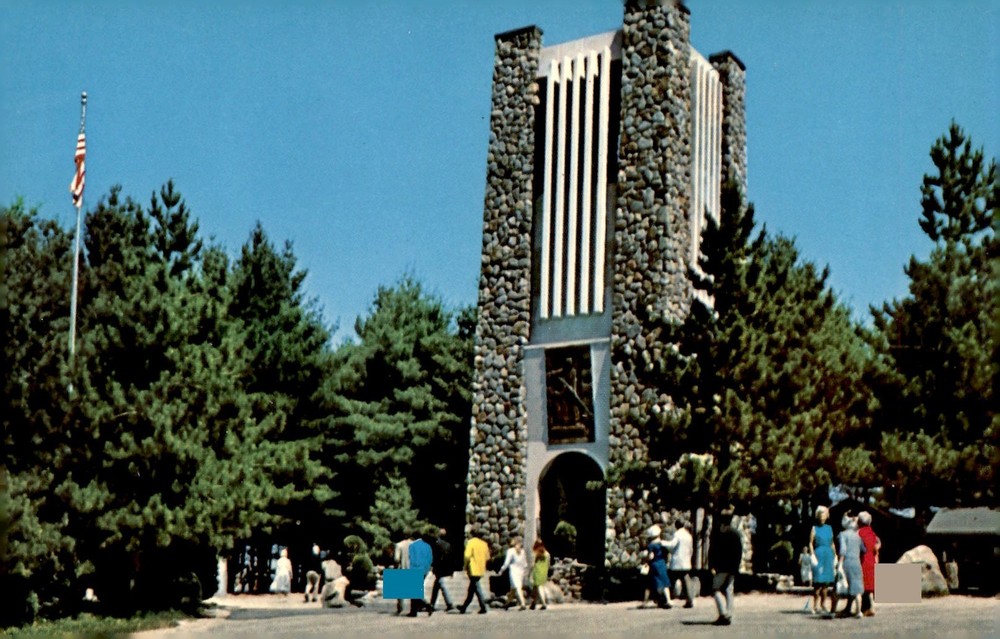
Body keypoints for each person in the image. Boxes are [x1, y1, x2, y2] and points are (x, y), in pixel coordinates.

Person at [708, 512, 743, 626]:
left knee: (715, 589)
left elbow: (713, 551)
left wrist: (712, 565)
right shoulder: (736, 534)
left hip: (721, 566)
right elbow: (739, 552)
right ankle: (729, 613)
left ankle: (723, 613)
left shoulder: (718, 534)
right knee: (729, 590)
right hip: (733, 567)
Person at [662, 518, 696, 608]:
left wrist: (662, 543)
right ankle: (690, 600)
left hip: (677, 561)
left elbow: (672, 544)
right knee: (686, 580)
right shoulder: (688, 535)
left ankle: (667, 599)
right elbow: (691, 549)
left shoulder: (677, 534)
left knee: (671, 580)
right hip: (686, 561)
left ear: (676, 526)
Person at [809, 505, 837, 616]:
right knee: (817, 583)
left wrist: (836, 556)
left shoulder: (829, 528)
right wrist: (812, 555)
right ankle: (815, 605)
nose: (822, 516)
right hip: (819, 554)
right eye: (820, 514)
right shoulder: (814, 528)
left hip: (828, 555)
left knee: (826, 584)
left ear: (827, 516)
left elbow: (832, 543)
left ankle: (823, 604)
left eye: (824, 514)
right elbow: (810, 543)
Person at [836, 514, 865, 618]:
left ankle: (833, 610)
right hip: (857, 562)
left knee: (841, 586)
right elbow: (863, 549)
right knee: (857, 588)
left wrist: (840, 563)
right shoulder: (858, 536)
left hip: (847, 562)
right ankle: (858, 611)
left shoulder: (843, 535)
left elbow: (843, 549)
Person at [458, 527, 491, 614]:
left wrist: (465, 566)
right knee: (472, 589)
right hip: (481, 568)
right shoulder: (484, 544)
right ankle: (464, 607)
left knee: (476, 587)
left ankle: (483, 606)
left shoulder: (470, 543)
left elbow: (467, 556)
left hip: (473, 568)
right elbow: (487, 557)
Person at [857, 511, 880, 617]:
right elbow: (877, 545)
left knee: (862, 585)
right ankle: (871, 606)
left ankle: (860, 608)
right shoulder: (872, 533)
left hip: (862, 560)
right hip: (872, 560)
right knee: (870, 586)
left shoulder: (858, 533)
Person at [644, 525, 672, 609]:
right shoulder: (662, 544)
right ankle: (668, 599)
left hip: (654, 564)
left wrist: (646, 559)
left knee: (650, 583)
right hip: (662, 563)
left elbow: (651, 557)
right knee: (665, 582)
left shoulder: (651, 546)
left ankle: (646, 601)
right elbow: (667, 553)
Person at [407, 530, 434, 617]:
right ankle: (414, 611)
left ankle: (425, 605)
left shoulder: (412, 546)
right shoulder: (428, 546)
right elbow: (430, 559)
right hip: (424, 570)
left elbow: (411, 559)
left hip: (415, 569)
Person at [429, 527, 455, 613]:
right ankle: (432, 603)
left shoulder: (437, 544)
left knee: (441, 584)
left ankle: (449, 603)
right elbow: (451, 558)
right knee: (436, 585)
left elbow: (435, 556)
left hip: (438, 567)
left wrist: (432, 566)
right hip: (444, 567)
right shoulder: (448, 545)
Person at [500, 537, 529, 610]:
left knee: (517, 587)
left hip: (513, 572)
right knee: (513, 589)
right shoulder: (522, 551)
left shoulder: (510, 551)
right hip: (521, 571)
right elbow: (525, 564)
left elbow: (507, 563)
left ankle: (523, 603)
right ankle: (507, 603)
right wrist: (525, 572)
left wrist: (502, 570)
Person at [393, 534, 412, 615]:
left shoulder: (399, 545)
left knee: (400, 592)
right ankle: (417, 607)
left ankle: (400, 609)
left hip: (402, 568)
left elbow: (396, 559)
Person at [529, 539, 551, 610]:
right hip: (544, 571)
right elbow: (548, 564)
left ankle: (543, 603)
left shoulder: (535, 553)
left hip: (537, 571)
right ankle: (533, 604)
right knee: (536, 588)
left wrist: (529, 573)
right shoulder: (547, 554)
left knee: (539, 587)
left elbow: (532, 564)